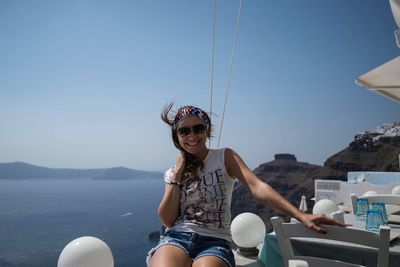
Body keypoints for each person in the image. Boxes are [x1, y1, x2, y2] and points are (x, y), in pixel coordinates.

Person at [147, 104, 344, 267]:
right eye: (184, 130)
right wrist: (178, 173)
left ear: (207, 131)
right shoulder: (173, 172)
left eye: (198, 128)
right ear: (177, 137)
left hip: (214, 241)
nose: (192, 135)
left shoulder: (225, 157)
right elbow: (167, 219)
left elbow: (257, 187)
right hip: (177, 238)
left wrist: (300, 215)